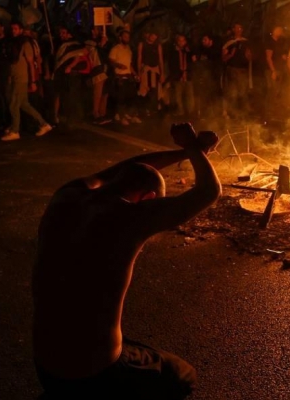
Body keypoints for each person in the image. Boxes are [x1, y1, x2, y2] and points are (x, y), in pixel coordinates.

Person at [33, 123, 221, 399]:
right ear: (148, 199)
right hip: (94, 374)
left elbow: (128, 167)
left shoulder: (69, 194)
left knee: (131, 345)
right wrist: (192, 147)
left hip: (45, 366)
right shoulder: (130, 217)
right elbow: (208, 192)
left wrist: (187, 152)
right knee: (182, 376)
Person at [1, 22, 52, 141]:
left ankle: (15, 131)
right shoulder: (13, 43)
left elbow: (31, 63)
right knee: (24, 104)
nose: (13, 31)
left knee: (14, 104)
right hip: (15, 77)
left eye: (16, 29)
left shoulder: (25, 43)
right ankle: (43, 124)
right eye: (12, 28)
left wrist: (32, 81)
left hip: (21, 78)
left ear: (21, 30)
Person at [108, 28, 140, 126]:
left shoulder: (129, 50)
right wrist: (118, 65)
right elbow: (111, 61)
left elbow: (129, 64)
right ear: (120, 37)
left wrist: (135, 74)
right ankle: (121, 117)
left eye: (128, 37)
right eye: (125, 37)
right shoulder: (115, 49)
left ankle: (132, 116)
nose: (127, 38)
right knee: (121, 99)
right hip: (120, 77)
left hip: (129, 77)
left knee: (132, 98)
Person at [221, 23, 252, 119]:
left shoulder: (246, 42)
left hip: (243, 70)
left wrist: (248, 55)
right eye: (237, 28)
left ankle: (243, 114)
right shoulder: (229, 42)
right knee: (232, 93)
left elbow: (250, 58)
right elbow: (223, 58)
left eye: (241, 28)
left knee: (243, 92)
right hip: (232, 70)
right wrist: (231, 55)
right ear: (233, 29)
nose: (239, 29)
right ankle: (232, 113)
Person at [137, 31, 164, 116]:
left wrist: (162, 73)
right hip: (145, 69)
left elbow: (160, 60)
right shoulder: (142, 44)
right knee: (145, 89)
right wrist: (139, 73)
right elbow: (139, 58)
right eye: (153, 35)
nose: (154, 37)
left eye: (155, 36)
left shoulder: (158, 46)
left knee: (155, 89)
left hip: (155, 70)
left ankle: (153, 109)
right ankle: (145, 109)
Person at [167, 34, 195, 117]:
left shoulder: (188, 51)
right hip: (177, 76)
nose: (181, 42)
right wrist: (175, 74)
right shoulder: (173, 52)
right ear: (177, 42)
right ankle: (180, 110)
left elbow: (193, 62)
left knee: (189, 95)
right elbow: (171, 64)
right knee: (177, 95)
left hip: (188, 76)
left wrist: (189, 52)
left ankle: (190, 111)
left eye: (183, 40)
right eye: (180, 41)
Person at [265, 26, 289, 118]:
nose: (280, 31)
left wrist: (284, 57)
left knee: (277, 91)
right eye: (278, 30)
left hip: (279, 69)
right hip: (272, 70)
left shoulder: (280, 42)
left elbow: (281, 55)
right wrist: (273, 71)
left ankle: (274, 112)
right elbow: (268, 58)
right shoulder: (270, 42)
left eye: (281, 30)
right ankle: (268, 113)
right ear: (273, 31)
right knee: (273, 91)